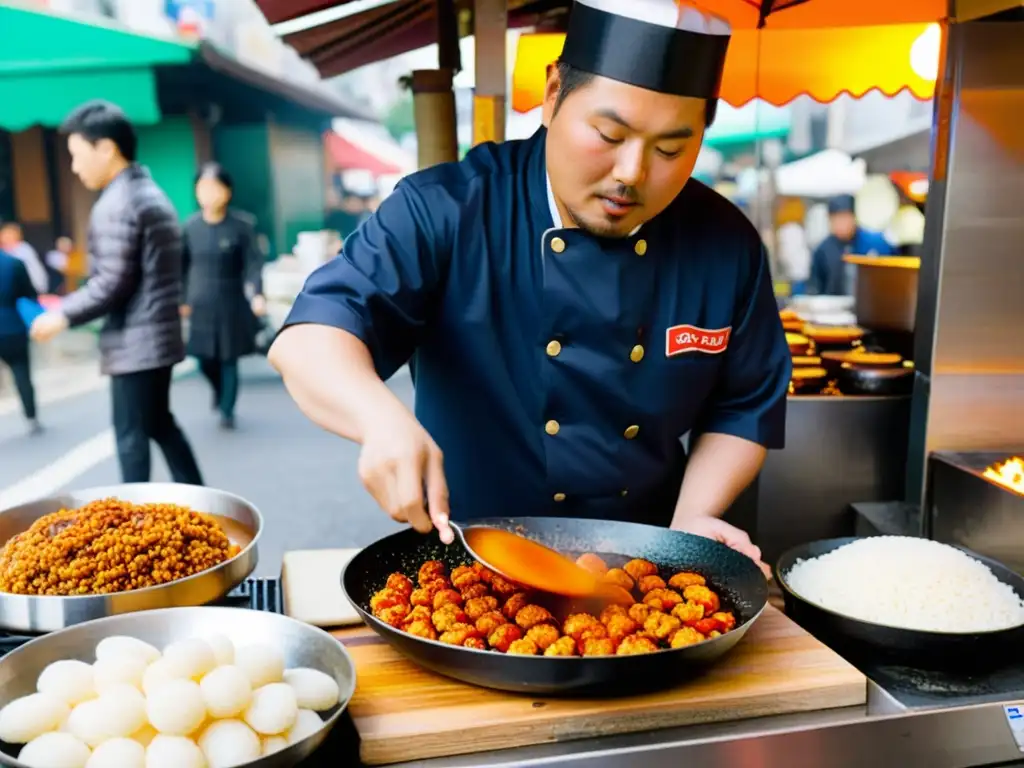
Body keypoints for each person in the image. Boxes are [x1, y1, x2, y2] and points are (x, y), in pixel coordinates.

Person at [269, 0, 791, 571]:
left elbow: (742, 405)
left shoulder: (725, 242)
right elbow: (310, 338)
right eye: (608, 133)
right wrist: (380, 419)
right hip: (463, 561)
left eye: (670, 149)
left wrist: (691, 523)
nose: (632, 172)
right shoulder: (446, 209)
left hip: (645, 563)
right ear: (552, 94)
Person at [30, 100, 204, 486]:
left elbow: (111, 283)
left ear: (106, 148)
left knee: (131, 438)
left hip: (135, 344)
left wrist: (62, 314)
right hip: (157, 336)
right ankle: (205, 504)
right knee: (160, 424)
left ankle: (132, 531)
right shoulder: (149, 192)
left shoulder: (117, 203)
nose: (74, 167)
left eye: (77, 155)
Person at [181, 162, 267, 430]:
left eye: (215, 188)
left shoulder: (242, 225)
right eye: (203, 188)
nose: (209, 194)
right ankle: (218, 391)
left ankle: (227, 409)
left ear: (227, 191)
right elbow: (180, 266)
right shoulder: (189, 227)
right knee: (203, 358)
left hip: (231, 300)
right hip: (200, 301)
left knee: (229, 357)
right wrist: (180, 300)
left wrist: (257, 294)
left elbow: (253, 264)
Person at [808, 195, 895, 296]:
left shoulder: (877, 243)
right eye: (836, 219)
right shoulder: (822, 250)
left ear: (854, 217)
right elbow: (815, 287)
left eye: (845, 217)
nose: (841, 224)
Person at [0, 247, 41, 434]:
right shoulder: (13, 263)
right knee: (22, 372)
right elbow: (29, 293)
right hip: (12, 326)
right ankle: (31, 418)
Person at [0, 223, 48, 296]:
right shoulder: (5, 250)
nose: (4, 237)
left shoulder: (23, 249)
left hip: (30, 290)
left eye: (9, 234)